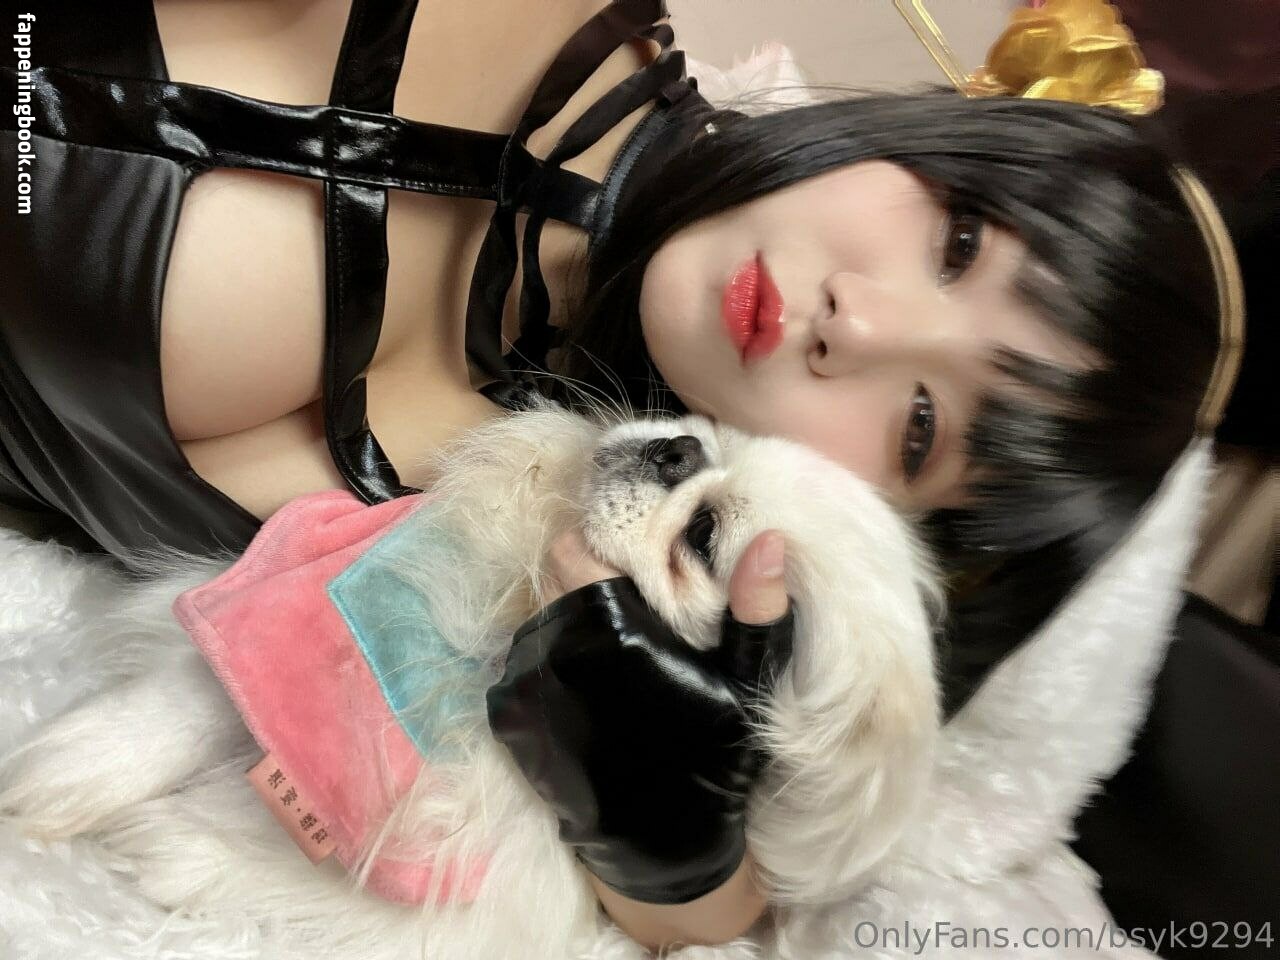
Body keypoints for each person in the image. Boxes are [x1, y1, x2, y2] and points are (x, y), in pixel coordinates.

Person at [1, 0, 1266, 950]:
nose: (860, 324)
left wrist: (653, 805)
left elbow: (720, 908)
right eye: (958, 239)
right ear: (932, 136)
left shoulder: (551, 537)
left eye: (923, 423)